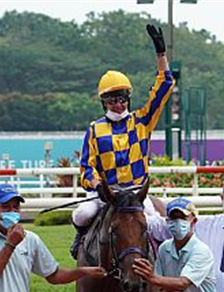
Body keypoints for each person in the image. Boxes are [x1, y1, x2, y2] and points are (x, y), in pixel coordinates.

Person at [70, 23, 175, 258]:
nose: (118, 105)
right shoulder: (95, 129)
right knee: (81, 215)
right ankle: (81, 243)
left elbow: (165, 86)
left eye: (122, 99)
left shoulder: (142, 121)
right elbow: (87, 168)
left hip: (137, 194)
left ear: (128, 98)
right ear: (103, 102)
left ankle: (162, 267)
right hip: (107, 194)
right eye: (112, 100)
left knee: (155, 223)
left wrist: (161, 54)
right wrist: (98, 185)